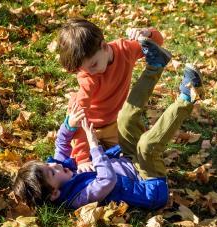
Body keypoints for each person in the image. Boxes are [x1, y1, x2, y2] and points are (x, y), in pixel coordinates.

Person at [13, 40, 203, 209]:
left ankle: (155, 64)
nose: (55, 166)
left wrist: (69, 124)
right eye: (52, 173)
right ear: (55, 193)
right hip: (149, 183)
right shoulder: (79, 196)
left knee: (124, 118)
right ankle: (187, 97)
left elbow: (61, 143)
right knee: (147, 146)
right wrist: (94, 147)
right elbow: (107, 180)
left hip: (128, 158)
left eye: (49, 165)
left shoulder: (61, 169)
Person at [57, 18, 169, 172]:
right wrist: (82, 159)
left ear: (104, 46)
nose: (91, 72)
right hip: (88, 127)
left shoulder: (125, 50)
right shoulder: (88, 78)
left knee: (135, 156)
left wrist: (147, 33)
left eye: (94, 65)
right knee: (80, 166)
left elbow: (157, 42)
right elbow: (80, 118)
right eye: (84, 69)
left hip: (114, 123)